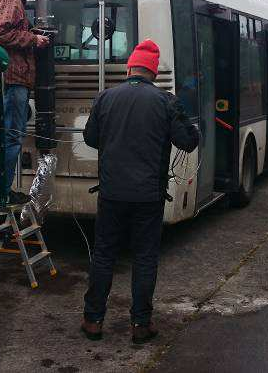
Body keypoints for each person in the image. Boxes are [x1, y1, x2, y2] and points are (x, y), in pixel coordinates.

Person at [80, 40, 199, 344]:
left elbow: (91, 138)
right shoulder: (166, 101)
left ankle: (93, 321)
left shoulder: (105, 98)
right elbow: (187, 142)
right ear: (153, 72)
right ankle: (140, 325)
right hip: (148, 196)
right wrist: (193, 128)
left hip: (111, 193)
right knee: (144, 258)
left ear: (131, 67)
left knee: (104, 255)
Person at [0, 0, 50, 205]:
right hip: (13, 78)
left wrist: (29, 34)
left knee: (11, 136)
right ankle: (1, 193)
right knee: (12, 136)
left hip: (14, 78)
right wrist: (33, 40)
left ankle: (2, 190)